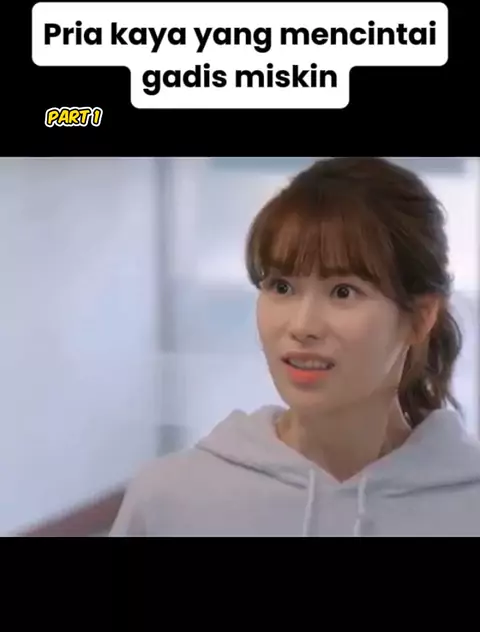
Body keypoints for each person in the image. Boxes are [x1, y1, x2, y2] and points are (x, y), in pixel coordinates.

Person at [110, 156, 480, 537]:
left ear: (420, 318)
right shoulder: (169, 501)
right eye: (282, 287)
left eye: (343, 292)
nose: (302, 327)